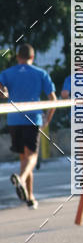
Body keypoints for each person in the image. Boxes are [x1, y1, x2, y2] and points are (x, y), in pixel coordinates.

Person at [0, 43, 57, 209]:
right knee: (32, 156)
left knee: (24, 158)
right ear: (32, 57)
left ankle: (30, 197)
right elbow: (53, 98)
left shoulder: (7, 73)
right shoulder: (41, 73)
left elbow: (2, 92)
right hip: (33, 118)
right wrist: (48, 118)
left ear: (18, 57)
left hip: (14, 120)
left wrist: (4, 92)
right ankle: (22, 179)